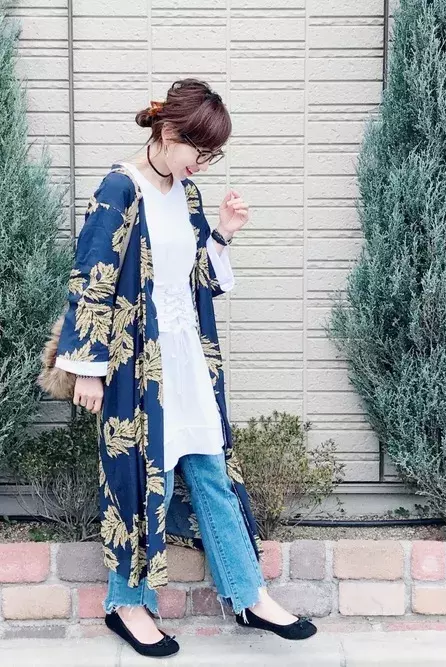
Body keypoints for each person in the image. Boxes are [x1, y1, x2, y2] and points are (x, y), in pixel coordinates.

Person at [54, 78, 317, 658]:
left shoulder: (188, 195)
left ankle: (249, 594)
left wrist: (222, 234)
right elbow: (90, 277)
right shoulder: (120, 188)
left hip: (188, 357)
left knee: (211, 470)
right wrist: (88, 368)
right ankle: (127, 604)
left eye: (212, 153)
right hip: (135, 363)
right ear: (169, 132)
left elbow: (195, 281)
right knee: (142, 478)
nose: (204, 162)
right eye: (200, 149)